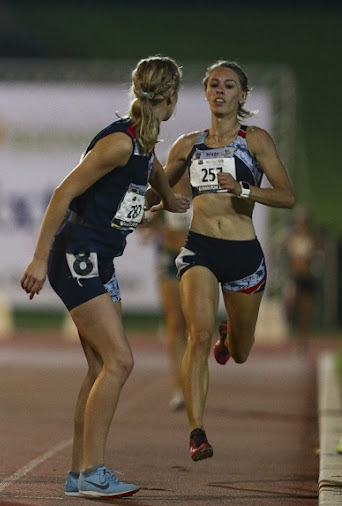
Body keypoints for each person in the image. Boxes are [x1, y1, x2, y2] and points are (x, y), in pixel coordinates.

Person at [20, 56, 189, 499]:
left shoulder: (144, 142)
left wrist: (168, 197)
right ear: (170, 98)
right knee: (120, 361)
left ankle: (79, 475)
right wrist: (39, 260)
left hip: (100, 257)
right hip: (79, 254)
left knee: (99, 367)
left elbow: (149, 174)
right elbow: (64, 193)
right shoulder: (119, 142)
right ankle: (94, 470)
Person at [162, 60, 295, 462]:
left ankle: (229, 338)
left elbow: (288, 196)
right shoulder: (187, 144)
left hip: (243, 254)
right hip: (200, 248)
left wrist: (246, 190)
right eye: (215, 85)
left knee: (240, 352)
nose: (221, 91)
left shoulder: (255, 140)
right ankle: (196, 432)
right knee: (196, 336)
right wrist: (153, 201)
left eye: (230, 85)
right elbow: (161, 190)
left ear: (242, 95)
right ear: (205, 92)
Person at [140, 174, 192, 411]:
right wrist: (147, 221)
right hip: (170, 258)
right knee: (174, 323)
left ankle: (193, 382)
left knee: (195, 325)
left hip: (196, 259)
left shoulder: (203, 190)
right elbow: (146, 219)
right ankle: (179, 388)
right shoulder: (164, 189)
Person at [280, 208, 322, 352]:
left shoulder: (312, 238)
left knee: (305, 312)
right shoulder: (291, 237)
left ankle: (302, 342)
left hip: (307, 277)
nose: (301, 224)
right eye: (299, 222)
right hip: (295, 278)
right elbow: (281, 246)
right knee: (290, 304)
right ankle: (291, 331)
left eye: (304, 222)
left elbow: (317, 255)